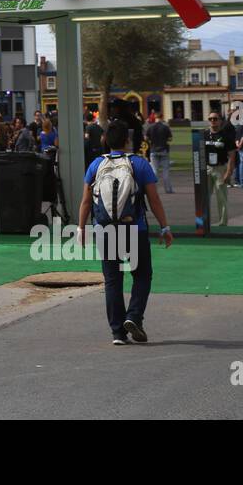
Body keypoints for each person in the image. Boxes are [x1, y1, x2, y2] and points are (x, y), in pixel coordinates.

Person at [78, 118, 172, 345]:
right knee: (142, 275)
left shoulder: (95, 165)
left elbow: (86, 202)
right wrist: (164, 227)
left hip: (105, 228)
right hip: (134, 228)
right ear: (128, 141)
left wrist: (81, 228)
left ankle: (117, 332)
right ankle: (134, 316)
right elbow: (154, 199)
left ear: (106, 141)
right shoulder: (139, 164)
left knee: (112, 279)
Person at [203, 111, 237, 226]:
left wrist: (229, 172)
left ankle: (223, 222)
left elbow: (232, 155)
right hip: (207, 168)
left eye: (215, 118)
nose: (213, 121)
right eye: (210, 119)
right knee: (204, 196)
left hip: (220, 168)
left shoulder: (226, 136)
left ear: (220, 121)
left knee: (221, 197)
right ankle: (204, 221)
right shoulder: (204, 134)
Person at [144, 114, 174, 194]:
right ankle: (168, 189)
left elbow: (146, 138)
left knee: (154, 171)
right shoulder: (165, 127)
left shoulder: (150, 127)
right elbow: (170, 139)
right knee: (165, 171)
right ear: (162, 117)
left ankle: (153, 190)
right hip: (164, 150)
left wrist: (151, 141)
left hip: (153, 150)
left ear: (155, 118)